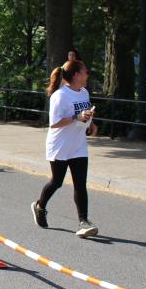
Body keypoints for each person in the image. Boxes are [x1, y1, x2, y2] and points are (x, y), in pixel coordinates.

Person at [31, 59, 99, 238]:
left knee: (80, 184)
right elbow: (54, 123)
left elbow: (85, 113)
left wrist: (91, 124)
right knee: (57, 181)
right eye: (85, 72)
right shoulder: (60, 96)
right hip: (60, 146)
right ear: (76, 75)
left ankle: (84, 222)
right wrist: (77, 117)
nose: (87, 75)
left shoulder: (84, 92)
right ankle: (40, 206)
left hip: (78, 145)